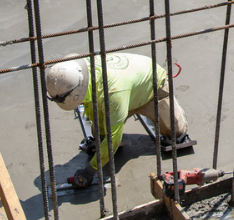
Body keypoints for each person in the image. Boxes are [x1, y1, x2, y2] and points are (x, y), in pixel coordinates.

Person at [45, 53, 193, 188]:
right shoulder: (80, 74)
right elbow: (88, 104)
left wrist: (89, 171)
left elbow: (113, 140)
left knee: (176, 133)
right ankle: (115, 118)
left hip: (151, 89)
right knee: (101, 135)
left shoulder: (112, 93)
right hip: (123, 92)